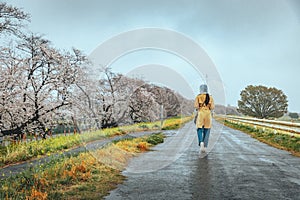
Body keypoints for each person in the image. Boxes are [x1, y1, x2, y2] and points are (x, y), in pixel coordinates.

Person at [194, 84, 214, 153]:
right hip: (208, 113)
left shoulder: (198, 96)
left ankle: (201, 142)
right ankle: (205, 145)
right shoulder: (210, 97)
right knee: (207, 129)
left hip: (201, 113)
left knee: (199, 128)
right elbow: (212, 107)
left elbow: (196, 106)